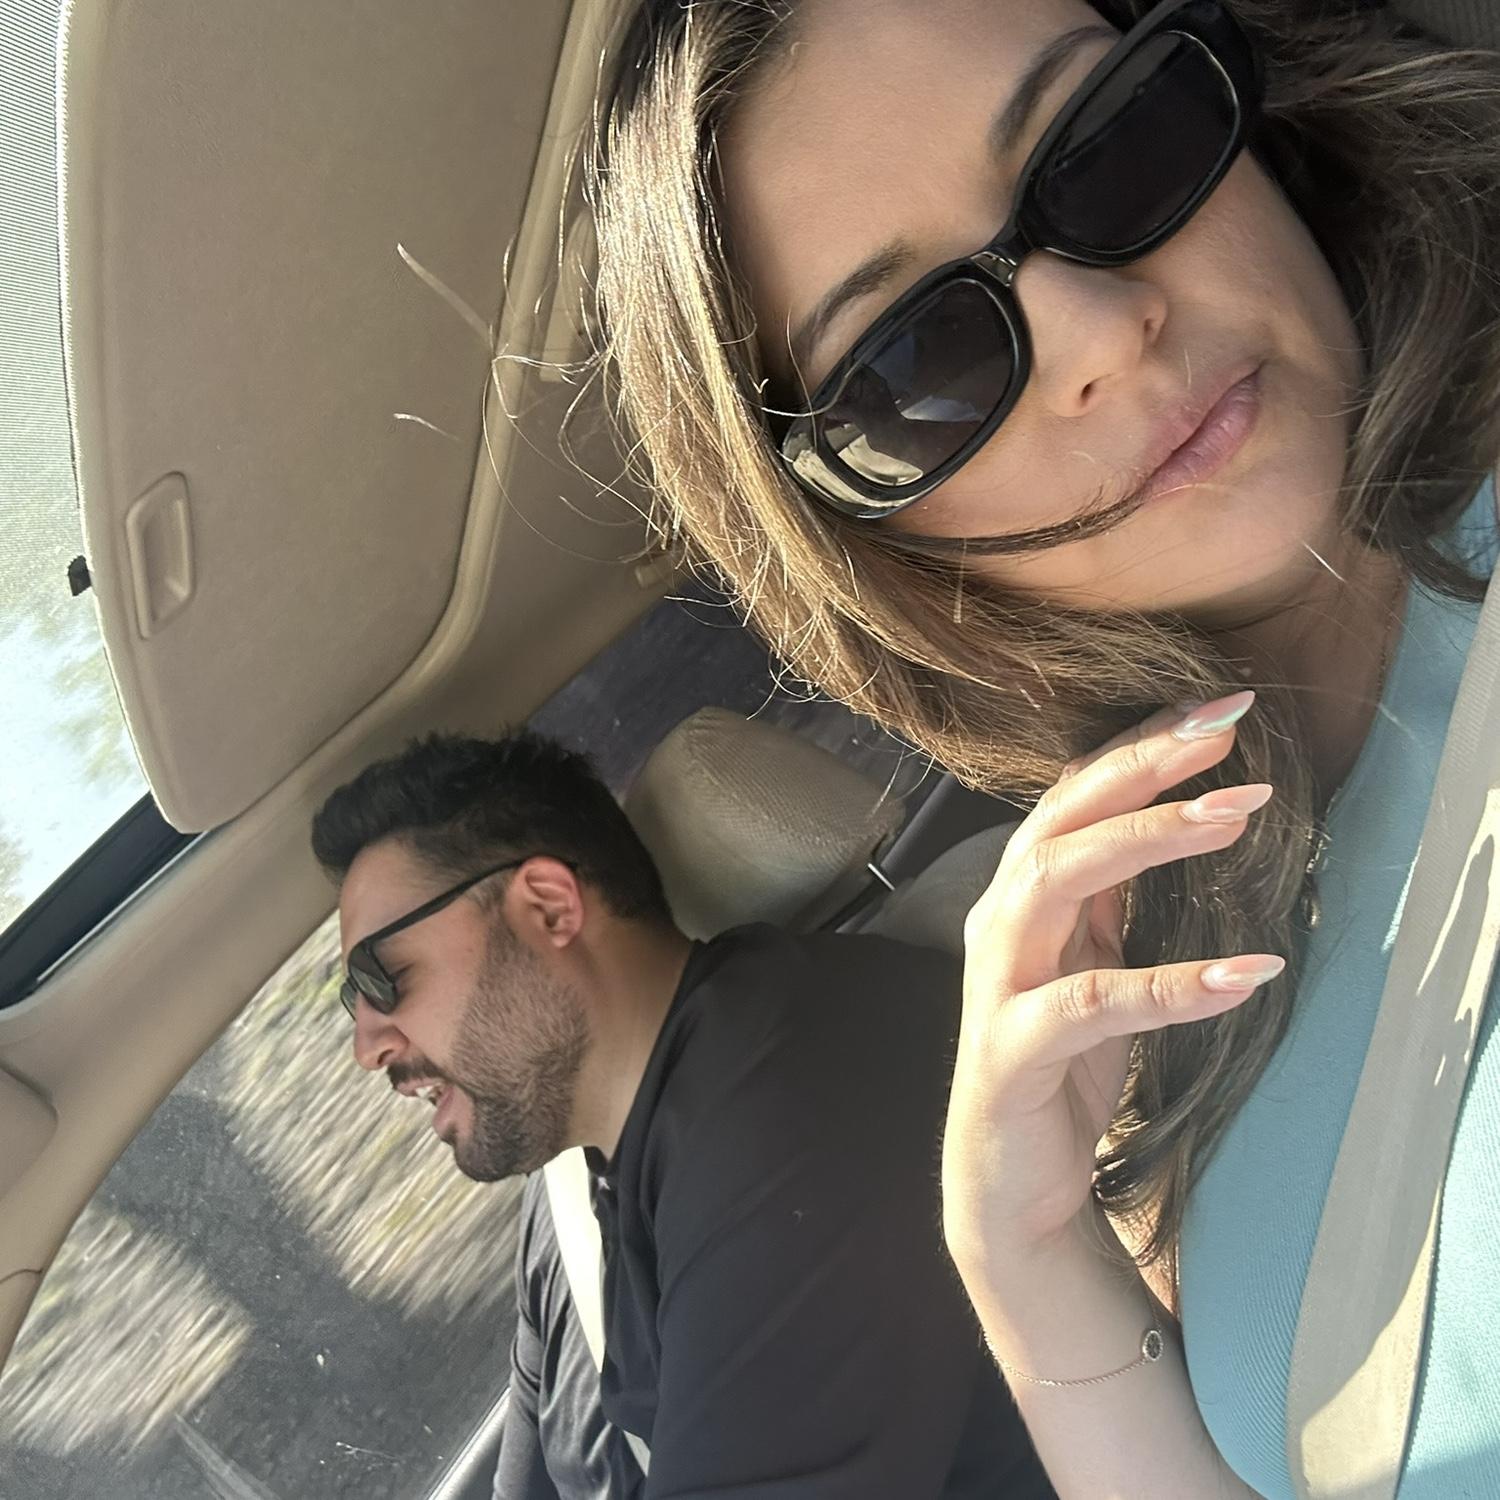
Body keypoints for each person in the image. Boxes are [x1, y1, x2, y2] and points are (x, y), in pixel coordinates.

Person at [583, 0, 1500, 1494]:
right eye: (916, 365)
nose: (1100, 330)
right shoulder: (1145, 1010)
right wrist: (1024, 1266)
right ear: (871, 553)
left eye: (1109, 145)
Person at [309, 729, 1056, 1499]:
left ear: (548, 908)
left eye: (384, 977)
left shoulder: (794, 1110)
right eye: (350, 1000)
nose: (368, 1045)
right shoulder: (577, 1190)